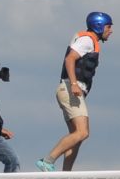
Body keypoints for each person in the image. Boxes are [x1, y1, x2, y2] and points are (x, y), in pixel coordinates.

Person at [37, 12, 112, 171]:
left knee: (76, 136)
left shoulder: (89, 41)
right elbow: (70, 59)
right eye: (108, 27)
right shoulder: (87, 40)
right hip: (70, 89)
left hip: (69, 90)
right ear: (99, 26)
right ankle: (47, 161)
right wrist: (73, 84)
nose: (110, 31)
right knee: (83, 132)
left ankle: (66, 173)